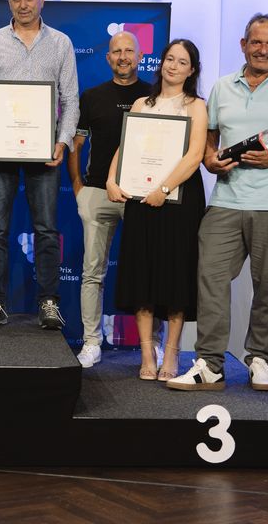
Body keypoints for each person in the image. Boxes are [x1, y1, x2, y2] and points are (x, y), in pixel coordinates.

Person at [167, 13, 268, 392]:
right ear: (243, 45)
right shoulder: (223, 87)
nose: (263, 50)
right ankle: (209, 365)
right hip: (226, 201)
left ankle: (260, 359)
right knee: (210, 279)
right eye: (256, 42)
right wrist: (210, 160)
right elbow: (210, 139)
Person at [0, 0, 79, 330]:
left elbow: (70, 99)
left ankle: (48, 303)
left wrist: (62, 141)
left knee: (46, 229)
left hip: (44, 151)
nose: (23, 5)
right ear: (9, 2)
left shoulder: (60, 43)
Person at [106, 39, 207, 382]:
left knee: (175, 275)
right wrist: (111, 179)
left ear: (192, 70)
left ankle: (172, 353)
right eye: (169, 59)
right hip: (141, 200)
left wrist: (164, 190)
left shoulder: (196, 106)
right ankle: (147, 354)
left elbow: (195, 155)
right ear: (161, 63)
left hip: (179, 201)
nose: (173, 66)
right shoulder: (141, 103)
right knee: (142, 274)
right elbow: (126, 147)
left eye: (182, 62)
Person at [67, 31, 151, 367]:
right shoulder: (92, 97)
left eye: (129, 51)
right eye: (117, 51)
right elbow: (76, 144)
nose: (123, 57)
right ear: (108, 58)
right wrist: (78, 185)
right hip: (97, 192)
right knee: (92, 272)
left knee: (148, 271)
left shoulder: (154, 96)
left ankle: (152, 344)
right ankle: (91, 341)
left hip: (142, 197)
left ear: (141, 56)